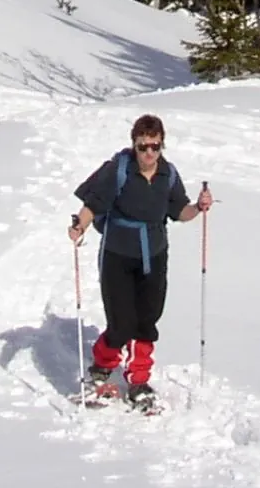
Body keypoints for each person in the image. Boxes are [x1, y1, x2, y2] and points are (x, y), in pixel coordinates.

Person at [66, 113, 212, 410]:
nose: (148, 153)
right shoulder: (118, 170)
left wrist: (199, 207)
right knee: (121, 323)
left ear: (162, 145)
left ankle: (139, 382)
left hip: (154, 255)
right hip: (117, 255)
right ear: (134, 144)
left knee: (147, 320)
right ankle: (101, 368)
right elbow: (93, 205)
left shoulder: (167, 175)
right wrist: (79, 226)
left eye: (154, 147)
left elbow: (179, 211)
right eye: (143, 146)